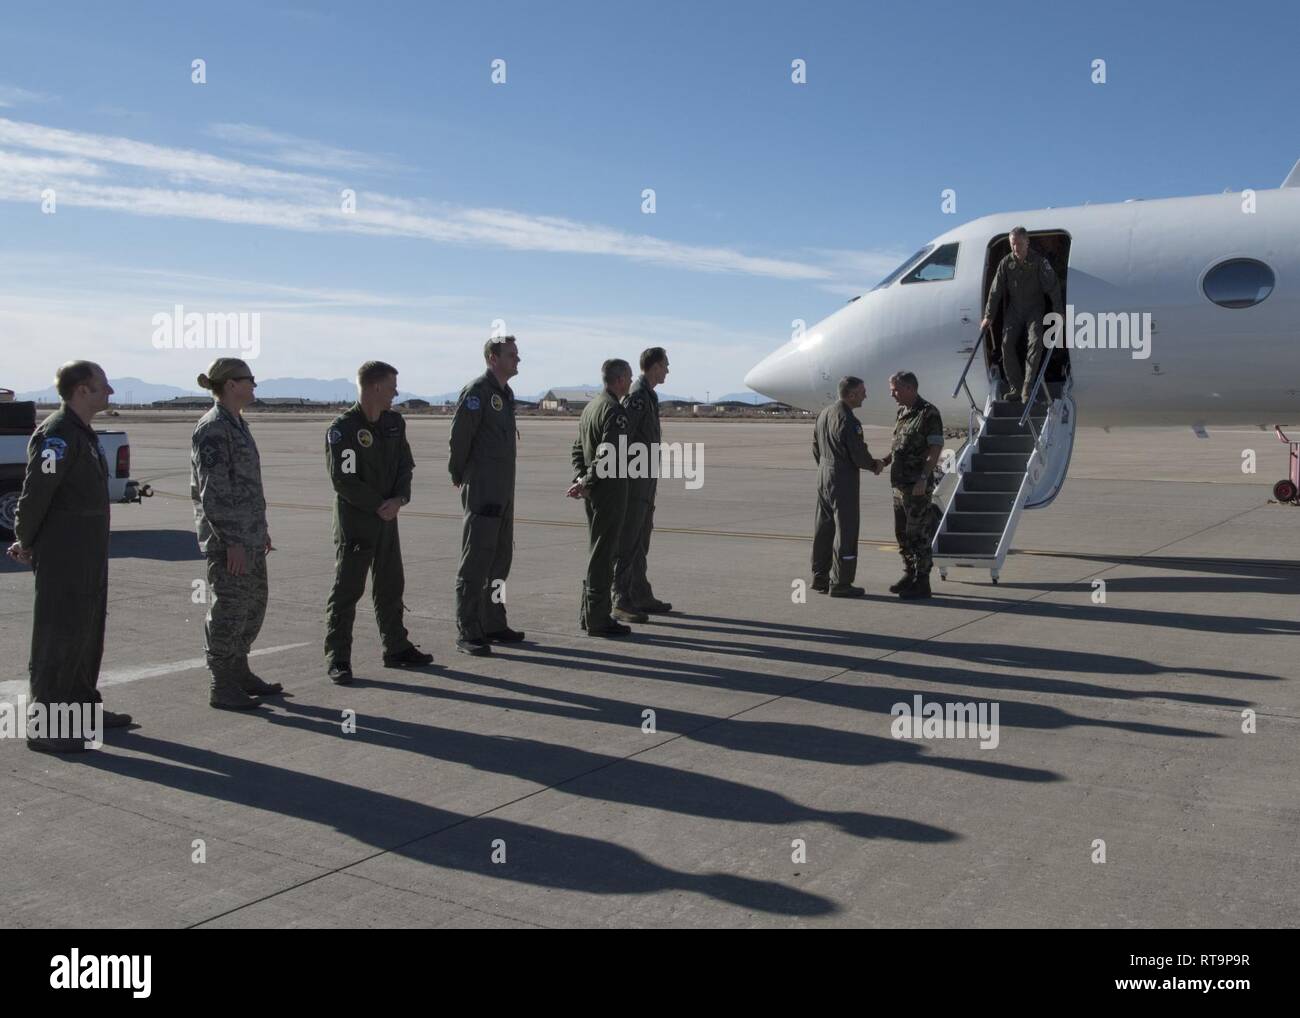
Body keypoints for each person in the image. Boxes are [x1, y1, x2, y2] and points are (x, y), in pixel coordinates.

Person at [8, 361, 131, 753]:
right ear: (81, 390)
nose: (109, 392)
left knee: (86, 633)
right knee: (58, 637)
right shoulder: (58, 435)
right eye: (103, 386)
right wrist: (24, 539)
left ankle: (81, 712)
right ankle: (47, 727)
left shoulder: (82, 433)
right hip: (63, 552)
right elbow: (37, 493)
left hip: (87, 552)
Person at [323, 361, 433, 684]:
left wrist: (399, 499)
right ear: (374, 388)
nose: (396, 394)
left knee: (390, 585)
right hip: (357, 522)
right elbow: (344, 480)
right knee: (347, 591)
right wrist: (378, 505)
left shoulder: (394, 424)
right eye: (392, 387)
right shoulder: (342, 430)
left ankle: (396, 647)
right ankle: (338, 658)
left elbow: (404, 466)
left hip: (387, 519)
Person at [190, 358, 283, 709]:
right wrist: (232, 541)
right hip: (230, 541)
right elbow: (212, 492)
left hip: (250, 536)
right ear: (231, 385)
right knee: (230, 609)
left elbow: (245, 486)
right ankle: (222, 683)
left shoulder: (236, 424)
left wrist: (260, 530)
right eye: (249, 380)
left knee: (253, 606)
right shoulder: (214, 428)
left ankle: (239, 670)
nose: (254, 386)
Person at [449, 337, 523, 656]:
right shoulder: (477, 393)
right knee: (476, 560)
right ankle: (468, 627)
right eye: (512, 355)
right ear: (493, 358)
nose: (518, 360)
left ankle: (493, 621)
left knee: (499, 560)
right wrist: (462, 475)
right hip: (483, 489)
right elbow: (460, 438)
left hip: (503, 491)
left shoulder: (505, 395)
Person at [567, 359, 633, 636]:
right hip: (609, 491)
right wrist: (590, 481)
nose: (630, 382)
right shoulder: (614, 411)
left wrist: (582, 480)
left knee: (598, 551)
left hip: (595, 491)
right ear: (618, 380)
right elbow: (608, 454)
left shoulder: (591, 407)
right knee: (603, 556)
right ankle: (597, 617)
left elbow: (578, 448)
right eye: (628, 377)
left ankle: (590, 614)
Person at [811, 376, 884, 597]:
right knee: (847, 529)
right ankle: (841, 582)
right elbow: (858, 455)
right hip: (842, 477)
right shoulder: (849, 420)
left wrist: (825, 468)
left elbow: (815, 445)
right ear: (851, 394)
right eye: (862, 392)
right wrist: (874, 465)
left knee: (824, 528)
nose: (865, 395)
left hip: (823, 473)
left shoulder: (825, 413)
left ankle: (820, 577)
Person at [613, 347, 672, 616]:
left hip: (645, 479)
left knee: (641, 538)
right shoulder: (637, 397)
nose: (668, 370)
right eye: (665, 365)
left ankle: (640, 593)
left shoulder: (649, 396)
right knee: (630, 541)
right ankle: (622, 598)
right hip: (636, 480)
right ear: (654, 366)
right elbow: (622, 437)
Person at [980, 226, 1062, 403]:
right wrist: (988, 316)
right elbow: (995, 291)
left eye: (1018, 243)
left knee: (1035, 343)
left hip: (1035, 308)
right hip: (1015, 309)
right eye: (1012, 244)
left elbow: (1053, 287)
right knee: (1006, 345)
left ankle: (1027, 387)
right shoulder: (1006, 263)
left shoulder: (1039, 262)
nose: (1015, 247)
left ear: (1027, 242)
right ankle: (1015, 387)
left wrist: (1058, 313)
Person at [887, 371, 944, 599]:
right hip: (899, 487)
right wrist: (884, 460)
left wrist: (923, 478)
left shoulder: (928, 413)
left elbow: (935, 449)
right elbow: (900, 447)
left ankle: (922, 581)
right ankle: (909, 574)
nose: (892, 394)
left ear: (910, 388)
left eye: (895, 389)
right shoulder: (902, 412)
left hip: (917, 487)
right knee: (902, 534)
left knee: (918, 535)